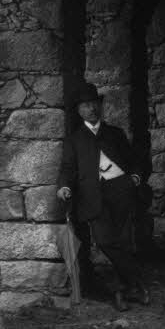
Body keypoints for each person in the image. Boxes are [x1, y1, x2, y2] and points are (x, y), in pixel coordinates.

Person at [57, 81, 151, 311]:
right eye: (86, 106)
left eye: (94, 104)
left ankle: (121, 291)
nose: (91, 109)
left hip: (121, 191)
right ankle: (135, 283)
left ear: (100, 107)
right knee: (105, 241)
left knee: (122, 242)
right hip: (92, 197)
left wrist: (135, 179)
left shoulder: (115, 134)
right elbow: (68, 168)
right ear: (79, 111)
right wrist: (63, 186)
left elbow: (136, 161)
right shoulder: (74, 140)